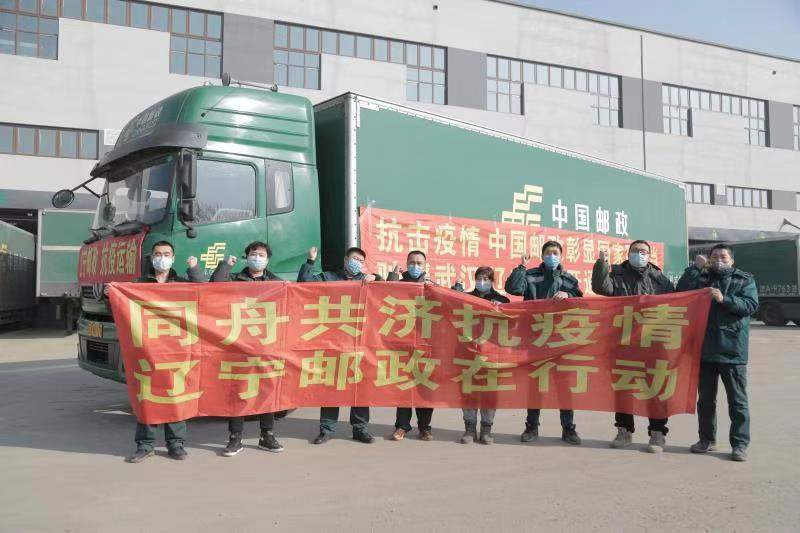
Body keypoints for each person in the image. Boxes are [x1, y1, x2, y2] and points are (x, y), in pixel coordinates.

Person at [592, 240, 675, 452]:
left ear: (650, 255)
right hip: (624, 342)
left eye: (643, 251)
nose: (640, 254)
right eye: (636, 251)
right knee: (624, 389)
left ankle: (657, 433)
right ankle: (624, 431)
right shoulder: (617, 274)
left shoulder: (660, 279)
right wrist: (602, 265)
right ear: (628, 253)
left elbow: (676, 302)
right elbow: (601, 288)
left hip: (653, 343)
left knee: (656, 388)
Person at [677, 244, 758, 462]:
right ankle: (706, 439)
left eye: (723, 257)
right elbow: (680, 293)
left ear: (732, 260)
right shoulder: (703, 278)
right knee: (705, 401)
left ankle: (739, 444)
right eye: (714, 256)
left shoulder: (743, 280)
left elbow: (750, 306)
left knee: (738, 402)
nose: (719, 260)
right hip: (704, 350)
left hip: (732, 351)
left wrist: (724, 299)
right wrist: (695, 268)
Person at [125, 241, 203, 463]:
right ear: (152, 258)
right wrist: (109, 293)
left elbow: (203, 291)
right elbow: (120, 299)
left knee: (175, 395)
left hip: (176, 348)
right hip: (148, 347)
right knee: (148, 396)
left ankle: (175, 444)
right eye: (158, 254)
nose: (162, 258)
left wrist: (194, 269)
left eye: (166, 254)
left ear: (173, 258)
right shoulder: (140, 283)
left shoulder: (182, 282)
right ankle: (145, 445)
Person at [298, 245, 380, 444]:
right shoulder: (328, 277)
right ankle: (326, 430)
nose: (357, 263)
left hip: (360, 341)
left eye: (361, 261)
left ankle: (360, 429)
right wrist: (310, 262)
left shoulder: (366, 280)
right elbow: (303, 284)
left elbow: (389, 293)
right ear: (345, 260)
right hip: (333, 339)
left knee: (360, 387)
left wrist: (377, 277)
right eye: (354, 259)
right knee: (331, 386)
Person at [505, 240, 583, 445]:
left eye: (555, 253)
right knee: (536, 386)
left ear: (561, 256)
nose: (551, 256)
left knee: (564, 387)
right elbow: (512, 288)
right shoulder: (531, 275)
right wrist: (521, 266)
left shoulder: (569, 280)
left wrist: (568, 295)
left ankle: (568, 429)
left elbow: (580, 302)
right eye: (548, 253)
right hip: (536, 339)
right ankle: (531, 427)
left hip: (560, 340)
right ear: (542, 256)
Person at [211, 241, 285, 457]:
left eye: (261, 255)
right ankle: (235, 438)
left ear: (267, 260)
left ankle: (267, 435)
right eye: (253, 254)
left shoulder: (277, 283)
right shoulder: (235, 278)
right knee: (239, 391)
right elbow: (215, 285)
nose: (257, 258)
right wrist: (226, 265)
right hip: (239, 344)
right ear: (247, 256)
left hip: (266, 345)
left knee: (266, 391)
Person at [452, 266, 509, 445]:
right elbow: (452, 311)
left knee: (489, 393)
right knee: (468, 391)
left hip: (491, 354)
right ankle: (469, 429)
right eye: (479, 278)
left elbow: (512, 324)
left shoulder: (502, 300)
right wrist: (455, 292)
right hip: (467, 352)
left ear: (492, 281)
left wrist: (502, 309)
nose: (482, 282)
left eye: (486, 279)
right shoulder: (466, 298)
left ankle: (486, 430)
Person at [387, 250, 437, 441]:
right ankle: (402, 427)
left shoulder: (431, 286)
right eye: (412, 262)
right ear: (406, 264)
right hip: (402, 342)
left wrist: (452, 288)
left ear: (425, 266)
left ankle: (425, 427)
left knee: (424, 387)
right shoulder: (399, 284)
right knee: (404, 387)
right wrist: (393, 277)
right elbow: (382, 294)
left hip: (426, 343)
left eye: (419, 263)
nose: (415, 266)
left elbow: (449, 304)